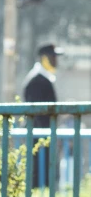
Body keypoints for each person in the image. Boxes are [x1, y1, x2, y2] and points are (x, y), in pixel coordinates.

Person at [22, 43, 64, 188]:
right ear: (44, 58)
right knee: (40, 171)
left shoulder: (44, 78)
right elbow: (38, 113)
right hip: (40, 136)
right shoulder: (37, 80)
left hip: (44, 134)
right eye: (53, 57)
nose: (55, 61)